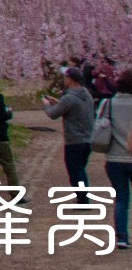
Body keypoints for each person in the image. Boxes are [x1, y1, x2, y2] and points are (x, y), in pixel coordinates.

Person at [42, 65, 97, 197]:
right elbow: (71, 108)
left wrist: (46, 105)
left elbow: (53, 114)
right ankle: (83, 196)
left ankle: (83, 199)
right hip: (87, 139)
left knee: (74, 170)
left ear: (70, 79)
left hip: (74, 140)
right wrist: (58, 102)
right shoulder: (86, 94)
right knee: (80, 169)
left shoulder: (69, 97)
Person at [100, 67, 132, 251]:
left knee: (121, 198)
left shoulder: (108, 104)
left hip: (114, 158)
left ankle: (121, 237)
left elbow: (101, 126)